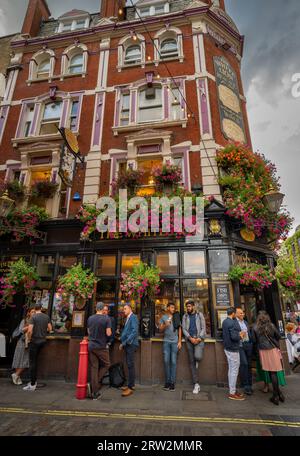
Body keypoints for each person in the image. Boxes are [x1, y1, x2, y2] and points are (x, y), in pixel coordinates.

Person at [252, 311, 285, 406]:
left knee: (271, 372)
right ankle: (278, 394)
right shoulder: (271, 326)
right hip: (273, 349)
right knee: (274, 372)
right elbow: (278, 336)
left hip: (263, 351)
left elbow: (254, 340)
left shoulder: (255, 327)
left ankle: (276, 395)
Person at [23, 302, 52, 391]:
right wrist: (43, 330)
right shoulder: (46, 317)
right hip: (42, 341)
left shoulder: (33, 317)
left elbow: (30, 330)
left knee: (32, 363)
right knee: (35, 361)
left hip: (34, 341)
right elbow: (50, 329)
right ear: (41, 308)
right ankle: (33, 382)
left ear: (35, 309)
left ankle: (32, 384)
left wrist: (29, 339)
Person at [87, 302, 112, 400]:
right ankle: (95, 383)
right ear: (102, 309)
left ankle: (95, 392)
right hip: (101, 346)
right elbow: (109, 333)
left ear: (96, 308)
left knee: (94, 367)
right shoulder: (106, 318)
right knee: (106, 364)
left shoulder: (90, 318)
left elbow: (89, 331)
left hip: (91, 346)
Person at [182, 300, 206, 394]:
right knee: (191, 361)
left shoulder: (199, 315)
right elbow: (184, 328)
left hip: (199, 339)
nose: (188, 308)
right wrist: (189, 338)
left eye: (189, 306)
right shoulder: (185, 316)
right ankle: (196, 383)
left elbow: (203, 327)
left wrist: (199, 338)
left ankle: (197, 362)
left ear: (193, 307)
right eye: (187, 306)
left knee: (198, 357)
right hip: (189, 340)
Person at [222, 307, 245, 401]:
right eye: (236, 313)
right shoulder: (231, 322)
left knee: (231, 369)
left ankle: (233, 390)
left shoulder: (225, 321)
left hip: (227, 348)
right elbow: (234, 337)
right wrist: (241, 335)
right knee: (234, 370)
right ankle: (232, 392)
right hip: (233, 349)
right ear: (233, 313)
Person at [159, 303, 182, 392]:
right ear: (168, 308)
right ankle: (167, 382)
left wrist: (179, 341)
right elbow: (160, 328)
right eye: (172, 307)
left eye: (174, 307)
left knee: (173, 361)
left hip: (175, 342)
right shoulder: (163, 317)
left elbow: (179, 329)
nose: (173, 309)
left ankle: (172, 383)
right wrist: (165, 325)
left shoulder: (176, 316)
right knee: (166, 361)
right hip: (166, 342)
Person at [11, 308, 35, 385]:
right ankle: (16, 375)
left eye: (35, 312)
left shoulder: (35, 321)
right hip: (22, 342)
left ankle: (17, 376)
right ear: (29, 313)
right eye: (32, 312)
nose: (34, 313)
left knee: (24, 360)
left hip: (28, 342)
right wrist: (29, 327)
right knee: (21, 359)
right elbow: (21, 330)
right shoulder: (24, 320)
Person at [119, 304, 139, 397]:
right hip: (127, 344)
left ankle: (130, 387)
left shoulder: (133, 317)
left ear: (130, 309)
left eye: (125, 309)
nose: (124, 310)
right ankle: (130, 385)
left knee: (130, 365)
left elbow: (134, 331)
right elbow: (127, 331)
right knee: (129, 364)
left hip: (131, 344)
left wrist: (125, 342)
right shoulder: (128, 318)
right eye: (123, 309)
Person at [235, 307, 253, 395]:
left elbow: (249, 333)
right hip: (240, 346)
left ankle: (250, 384)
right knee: (244, 364)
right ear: (236, 314)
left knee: (249, 364)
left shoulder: (245, 322)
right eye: (241, 313)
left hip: (248, 345)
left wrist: (251, 342)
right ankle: (245, 385)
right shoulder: (234, 323)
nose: (243, 314)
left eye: (243, 313)